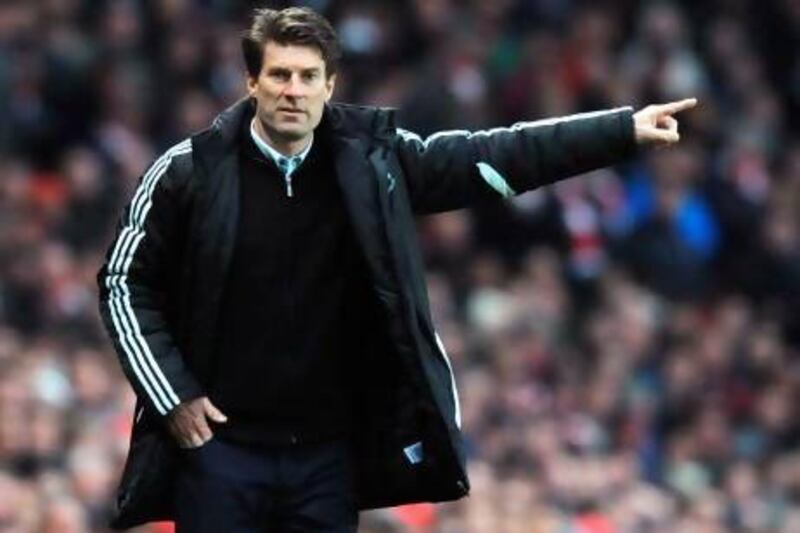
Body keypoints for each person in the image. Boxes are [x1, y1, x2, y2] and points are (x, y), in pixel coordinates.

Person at [97, 6, 696, 532]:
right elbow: (123, 282)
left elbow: (491, 153)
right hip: (221, 449)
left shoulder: (374, 164)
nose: (293, 90)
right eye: (279, 75)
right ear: (251, 81)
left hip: (325, 456)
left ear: (331, 86)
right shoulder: (187, 171)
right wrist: (173, 396)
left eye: (308, 77)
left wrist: (618, 131)